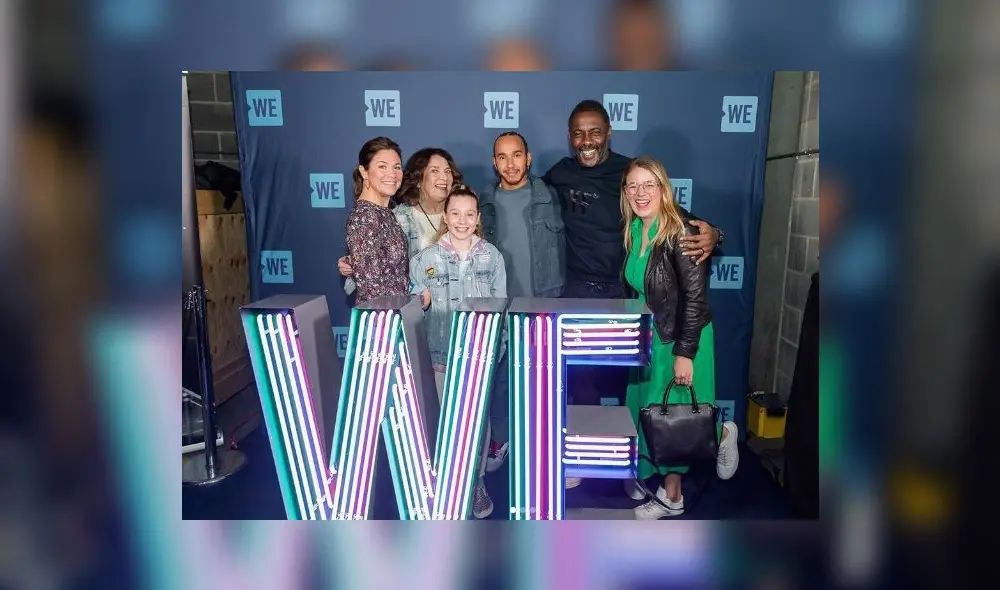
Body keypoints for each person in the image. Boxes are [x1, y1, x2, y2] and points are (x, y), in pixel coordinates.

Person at [543, 99, 723, 488]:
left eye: (595, 131)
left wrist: (713, 233)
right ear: (569, 137)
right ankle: (592, 460)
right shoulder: (559, 174)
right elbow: (519, 191)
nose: (586, 140)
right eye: (578, 132)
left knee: (649, 396)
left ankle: (648, 465)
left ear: (609, 132)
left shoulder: (629, 173)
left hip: (626, 299)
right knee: (585, 382)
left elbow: (678, 219)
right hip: (580, 292)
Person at [617, 156, 738, 520]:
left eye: (649, 184)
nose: (641, 193)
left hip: (682, 337)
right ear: (625, 191)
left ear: (663, 189)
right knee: (652, 411)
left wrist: (684, 352)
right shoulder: (636, 229)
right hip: (650, 338)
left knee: (674, 416)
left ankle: (673, 496)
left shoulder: (681, 232)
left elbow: (696, 300)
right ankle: (717, 435)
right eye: (633, 185)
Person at [409, 185, 507, 519]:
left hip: (478, 359)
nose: (462, 221)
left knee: (478, 425)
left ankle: (476, 483)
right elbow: (415, 307)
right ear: (445, 216)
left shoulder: (492, 257)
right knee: (442, 424)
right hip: (439, 357)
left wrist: (494, 351)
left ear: (478, 217)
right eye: (455, 213)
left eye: (469, 214)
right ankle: (444, 484)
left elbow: (500, 310)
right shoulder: (426, 259)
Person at [478, 131, 565, 473]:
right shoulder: (482, 201)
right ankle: (501, 438)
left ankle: (543, 443)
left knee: (545, 379)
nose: (510, 163)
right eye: (502, 156)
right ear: (494, 162)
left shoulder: (552, 197)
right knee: (498, 379)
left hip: (544, 304)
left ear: (529, 158)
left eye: (517, 155)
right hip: (499, 308)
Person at [338, 148, 463, 288]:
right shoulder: (396, 218)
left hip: (457, 305)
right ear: (418, 180)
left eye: (447, 171)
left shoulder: (464, 216)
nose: (444, 177)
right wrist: (352, 264)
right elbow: (368, 274)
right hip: (413, 305)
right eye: (435, 170)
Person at [343, 137, 407, 305]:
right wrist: (417, 299)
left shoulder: (386, 213)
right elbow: (373, 288)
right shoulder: (365, 216)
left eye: (397, 167)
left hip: (396, 315)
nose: (392, 174)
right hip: (381, 323)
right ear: (364, 172)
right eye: (382, 166)